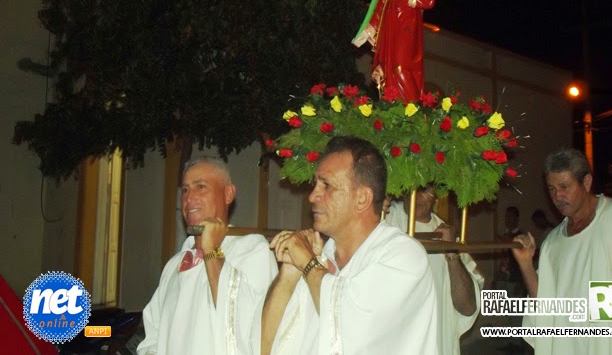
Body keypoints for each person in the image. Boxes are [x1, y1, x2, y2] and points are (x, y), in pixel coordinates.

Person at [260, 136, 438, 354]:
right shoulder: (320, 256)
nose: (313, 196)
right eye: (315, 184)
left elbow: (352, 324)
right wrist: (289, 272)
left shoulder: (404, 256)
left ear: (362, 198)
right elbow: (264, 345)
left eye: (327, 185)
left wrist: (307, 263)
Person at [137, 156, 278, 355]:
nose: (189, 198)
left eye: (200, 187)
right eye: (185, 190)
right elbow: (153, 336)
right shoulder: (174, 264)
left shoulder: (252, 249)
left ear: (228, 193)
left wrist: (211, 251)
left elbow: (250, 327)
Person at [512, 148, 612, 353]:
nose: (557, 196)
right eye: (551, 189)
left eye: (564, 187)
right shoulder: (552, 243)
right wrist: (526, 263)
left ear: (586, 183)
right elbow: (545, 305)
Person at [384, 186, 484, 355]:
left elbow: (467, 307)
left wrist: (452, 253)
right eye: (415, 188)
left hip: (436, 344)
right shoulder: (385, 220)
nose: (419, 195)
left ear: (436, 195)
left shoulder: (446, 233)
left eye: (426, 189)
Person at [495, 206, 525, 298]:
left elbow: (523, 262)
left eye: (510, 216)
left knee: (513, 309)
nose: (508, 219)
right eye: (506, 216)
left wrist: (521, 282)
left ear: (516, 218)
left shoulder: (521, 237)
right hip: (502, 279)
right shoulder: (503, 236)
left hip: (515, 280)